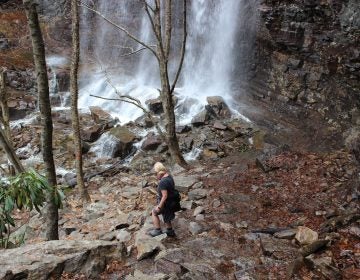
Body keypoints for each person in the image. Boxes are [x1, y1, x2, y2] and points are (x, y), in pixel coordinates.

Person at [148, 162, 176, 237]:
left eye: (156, 173)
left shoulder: (163, 182)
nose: (155, 175)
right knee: (166, 214)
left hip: (166, 203)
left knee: (154, 212)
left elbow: (164, 196)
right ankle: (170, 230)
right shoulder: (169, 176)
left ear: (159, 172)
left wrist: (159, 206)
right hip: (172, 201)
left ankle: (157, 230)